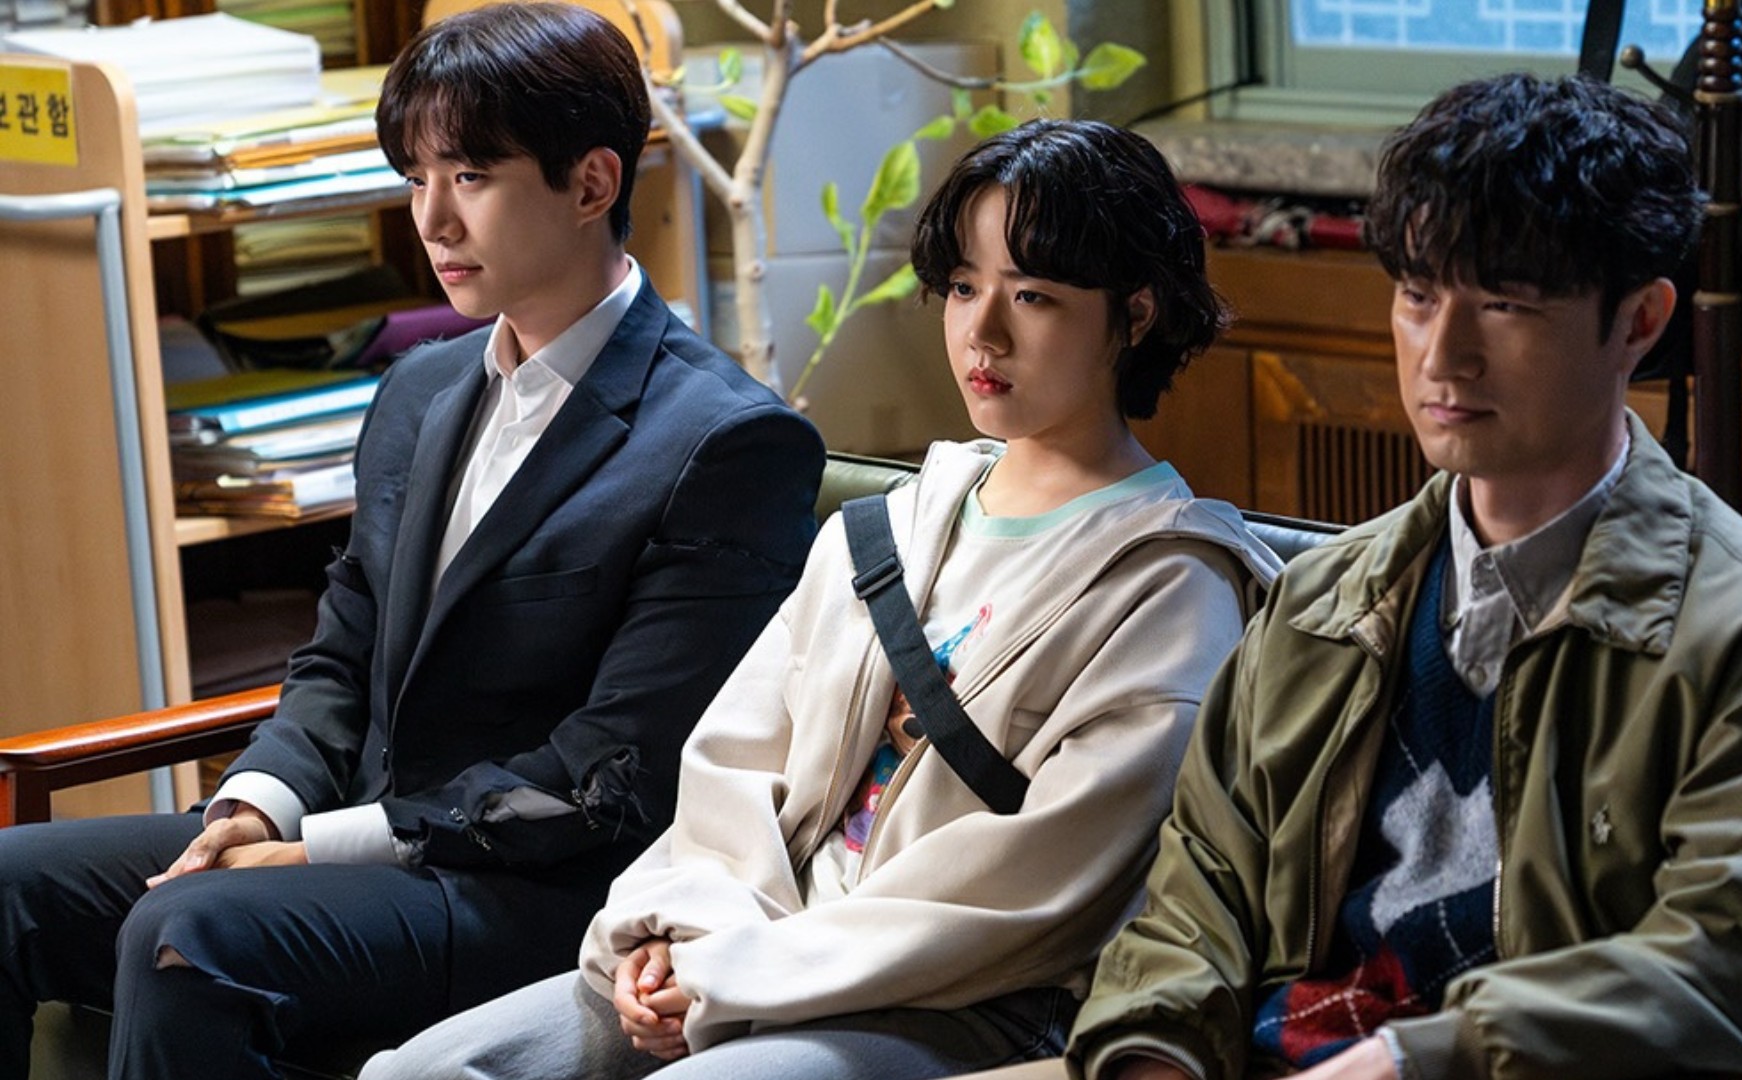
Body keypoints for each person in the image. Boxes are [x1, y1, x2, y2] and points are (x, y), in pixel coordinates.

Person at [357, 118, 1283, 1080]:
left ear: (1136, 315)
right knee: (413, 1074)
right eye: (964, 288)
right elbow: (733, 767)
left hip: (965, 1003)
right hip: (747, 945)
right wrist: (677, 940)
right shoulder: (889, 529)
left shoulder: (1172, 585)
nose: (983, 332)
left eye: (1034, 296)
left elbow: (1039, 888)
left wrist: (738, 977)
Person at [0, 4, 823, 1077]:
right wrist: (258, 803)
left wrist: (322, 846)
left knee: (187, 935)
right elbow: (340, 654)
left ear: (592, 184)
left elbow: (613, 774)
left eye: (471, 177)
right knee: (11, 882)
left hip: (537, 888)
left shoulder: (729, 441)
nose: (431, 219)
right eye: (415, 177)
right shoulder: (419, 389)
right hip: (348, 839)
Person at [1056, 72, 1742, 1080]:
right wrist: (1154, 1053)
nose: (1444, 357)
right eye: (1418, 296)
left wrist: (1417, 1060)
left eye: (1506, 305)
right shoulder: (1320, 605)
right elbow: (1198, 897)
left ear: (1639, 321)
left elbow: (1731, 969)